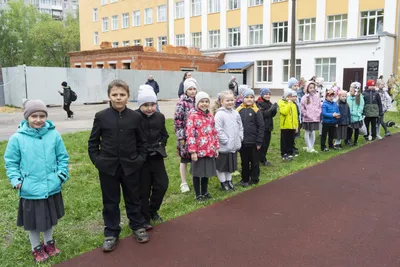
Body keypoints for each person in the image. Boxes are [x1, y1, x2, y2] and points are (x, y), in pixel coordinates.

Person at [4, 99, 69, 263]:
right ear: (27, 117)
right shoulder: (17, 138)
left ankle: (49, 243)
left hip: (51, 186)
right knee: (32, 223)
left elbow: (63, 157)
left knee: (49, 218)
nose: (38, 119)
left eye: (42, 116)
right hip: (30, 189)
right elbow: (11, 162)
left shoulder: (54, 135)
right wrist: (16, 179)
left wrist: (61, 175)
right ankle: (36, 248)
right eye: (34, 116)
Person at [88, 80, 150, 252]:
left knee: (133, 197)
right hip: (108, 167)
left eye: (122, 95)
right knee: (110, 201)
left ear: (128, 97)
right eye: (114, 95)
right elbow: (93, 143)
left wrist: (139, 159)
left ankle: (137, 225)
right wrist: (98, 161)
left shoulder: (136, 117)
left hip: (131, 166)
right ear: (109, 96)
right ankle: (111, 232)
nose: (118, 98)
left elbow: (142, 142)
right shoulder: (101, 116)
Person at [136, 85, 169, 229]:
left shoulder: (160, 117)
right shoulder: (134, 117)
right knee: (144, 189)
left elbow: (164, 134)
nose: (149, 108)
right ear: (140, 105)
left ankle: (153, 209)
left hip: (157, 157)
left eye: (152, 104)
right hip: (141, 160)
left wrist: (161, 145)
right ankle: (144, 216)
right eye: (145, 105)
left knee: (162, 185)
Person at [186, 91, 219, 202]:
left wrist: (216, 147)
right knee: (197, 173)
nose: (204, 104)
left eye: (206, 101)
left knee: (206, 172)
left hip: (209, 150)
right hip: (198, 151)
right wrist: (193, 151)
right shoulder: (193, 116)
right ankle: (198, 194)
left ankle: (204, 192)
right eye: (201, 101)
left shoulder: (210, 116)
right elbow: (190, 134)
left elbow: (214, 132)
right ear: (197, 103)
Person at [215, 90, 243, 191]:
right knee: (222, 166)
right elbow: (218, 129)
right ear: (222, 102)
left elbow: (240, 126)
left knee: (230, 165)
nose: (230, 102)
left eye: (232, 100)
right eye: (227, 100)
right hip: (224, 146)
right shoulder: (219, 114)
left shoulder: (235, 113)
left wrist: (240, 137)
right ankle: (223, 182)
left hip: (234, 144)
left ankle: (229, 180)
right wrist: (225, 140)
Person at [236, 88, 264, 187]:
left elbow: (261, 126)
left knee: (254, 162)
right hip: (243, 142)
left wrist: (259, 141)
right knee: (244, 162)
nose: (249, 99)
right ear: (242, 98)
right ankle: (245, 178)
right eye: (247, 97)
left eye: (251, 97)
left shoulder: (256, 111)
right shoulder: (238, 110)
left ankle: (254, 178)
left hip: (254, 142)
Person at [174, 77, 197, 193]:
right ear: (185, 90)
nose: (192, 91)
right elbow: (178, 121)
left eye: (194, 89)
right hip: (185, 136)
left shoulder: (198, 101)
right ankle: (183, 182)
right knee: (184, 160)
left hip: (196, 137)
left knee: (195, 159)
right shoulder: (181, 103)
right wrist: (181, 137)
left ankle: (195, 179)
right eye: (190, 89)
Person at [256, 88, 278, 166]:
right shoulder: (259, 103)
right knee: (261, 144)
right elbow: (263, 114)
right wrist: (271, 109)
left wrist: (274, 110)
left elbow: (271, 115)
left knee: (266, 144)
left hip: (268, 126)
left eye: (269, 94)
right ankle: (259, 159)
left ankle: (262, 158)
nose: (268, 96)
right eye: (266, 94)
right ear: (262, 95)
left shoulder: (269, 103)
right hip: (262, 127)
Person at [300, 81, 321, 153]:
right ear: (307, 88)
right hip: (307, 118)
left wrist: (318, 113)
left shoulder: (317, 97)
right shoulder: (304, 97)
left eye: (313, 87)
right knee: (307, 132)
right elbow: (302, 107)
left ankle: (311, 147)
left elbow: (319, 106)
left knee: (313, 132)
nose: (312, 89)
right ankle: (309, 147)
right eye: (310, 88)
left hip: (315, 118)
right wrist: (306, 114)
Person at [278, 90, 299, 161]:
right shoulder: (281, 103)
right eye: (288, 96)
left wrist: (296, 126)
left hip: (292, 126)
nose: (289, 98)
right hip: (285, 126)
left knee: (291, 140)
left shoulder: (293, 104)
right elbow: (284, 112)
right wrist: (289, 104)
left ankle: (290, 152)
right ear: (284, 96)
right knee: (284, 140)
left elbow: (295, 116)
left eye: (291, 96)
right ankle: (284, 153)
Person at [346, 82, 365, 146]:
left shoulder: (360, 98)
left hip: (356, 117)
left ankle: (355, 141)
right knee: (349, 129)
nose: (350, 90)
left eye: (352, 89)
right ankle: (348, 140)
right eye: (350, 89)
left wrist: (358, 114)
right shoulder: (348, 98)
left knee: (356, 129)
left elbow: (361, 106)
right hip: (350, 117)